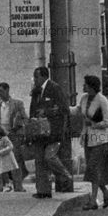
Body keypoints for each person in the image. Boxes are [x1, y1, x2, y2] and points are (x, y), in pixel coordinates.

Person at [71, 75, 108, 211]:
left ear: (91, 86)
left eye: (85, 84)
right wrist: (64, 108)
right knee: (92, 170)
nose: (83, 86)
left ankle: (93, 201)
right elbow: (77, 110)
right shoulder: (84, 98)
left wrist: (93, 124)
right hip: (87, 139)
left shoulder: (102, 100)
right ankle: (105, 192)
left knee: (93, 169)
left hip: (99, 140)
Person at [29, 67, 73, 199]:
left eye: (36, 77)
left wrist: (46, 112)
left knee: (49, 157)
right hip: (39, 131)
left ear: (43, 76)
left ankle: (65, 175)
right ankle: (43, 190)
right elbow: (33, 108)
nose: (35, 80)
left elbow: (64, 108)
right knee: (39, 160)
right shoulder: (36, 91)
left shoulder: (54, 88)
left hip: (53, 131)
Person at [0, 82, 28, 192]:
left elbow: (25, 118)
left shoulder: (18, 103)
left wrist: (21, 130)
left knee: (16, 160)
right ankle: (1, 185)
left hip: (13, 134)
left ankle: (18, 185)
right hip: (0, 135)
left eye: (1, 91)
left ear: (7, 90)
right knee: (0, 160)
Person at [0, 125, 20, 192]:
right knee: (2, 173)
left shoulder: (5, 138)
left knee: (6, 172)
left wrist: (2, 152)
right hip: (2, 159)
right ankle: (4, 186)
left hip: (8, 158)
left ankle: (10, 186)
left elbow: (10, 146)